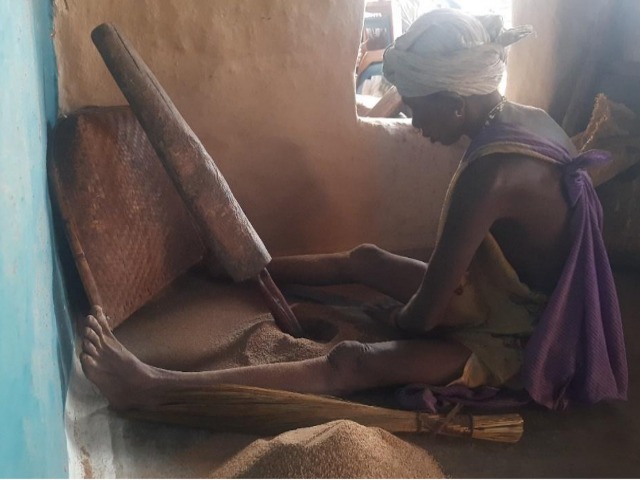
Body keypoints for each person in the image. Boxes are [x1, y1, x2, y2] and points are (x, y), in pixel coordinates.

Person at [80, 9, 627, 412]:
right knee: (366, 258)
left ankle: (150, 387)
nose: (413, 123)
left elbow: (426, 316)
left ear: (455, 102)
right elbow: (452, 282)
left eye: (415, 108)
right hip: (504, 298)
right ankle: (244, 270)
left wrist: (395, 319)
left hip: (526, 335)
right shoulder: (524, 118)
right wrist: (407, 306)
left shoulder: (490, 176)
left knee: (354, 361)